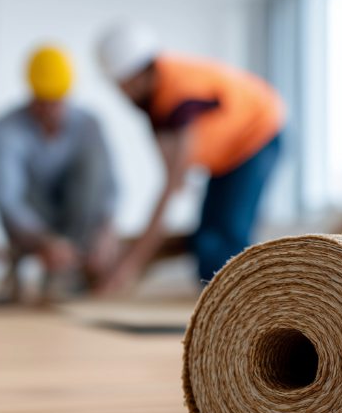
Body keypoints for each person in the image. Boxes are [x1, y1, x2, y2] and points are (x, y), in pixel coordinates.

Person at [95, 21, 284, 292]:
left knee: (226, 236)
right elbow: (172, 172)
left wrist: (128, 267)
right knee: (205, 243)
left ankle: (249, 305)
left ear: (136, 75)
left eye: (121, 84)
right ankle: (218, 304)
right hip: (225, 156)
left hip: (259, 134)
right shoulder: (151, 98)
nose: (119, 92)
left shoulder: (179, 94)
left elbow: (170, 189)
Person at [0, 44, 120, 305]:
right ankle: (35, 263)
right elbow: (7, 199)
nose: (49, 110)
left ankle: (67, 270)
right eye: (42, 102)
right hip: (34, 220)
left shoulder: (90, 124)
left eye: (56, 102)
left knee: (92, 165)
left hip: (78, 218)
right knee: (16, 192)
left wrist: (106, 230)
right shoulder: (5, 128)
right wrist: (43, 240)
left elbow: (110, 186)